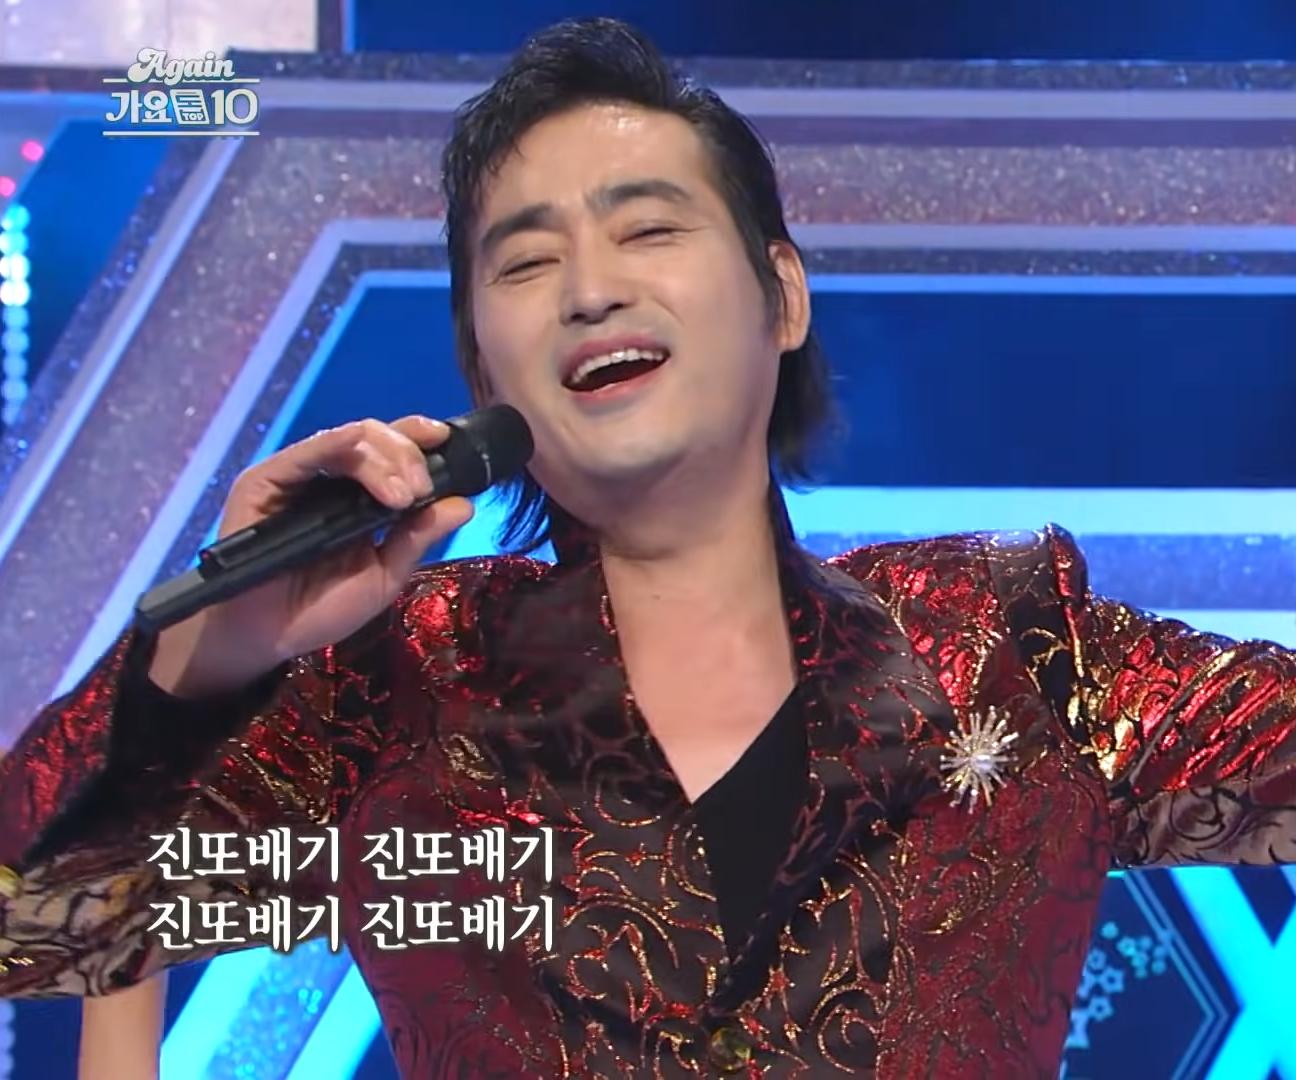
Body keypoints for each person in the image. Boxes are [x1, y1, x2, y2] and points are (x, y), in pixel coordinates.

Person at [1, 16, 1294, 1078]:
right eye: (526, 262)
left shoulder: (1011, 646)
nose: (589, 288)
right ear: (483, 371)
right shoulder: (405, 686)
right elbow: (32, 923)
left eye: (649, 228)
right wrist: (207, 663)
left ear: (782, 296)